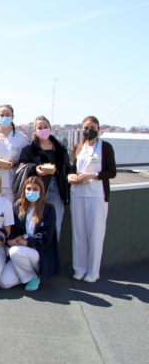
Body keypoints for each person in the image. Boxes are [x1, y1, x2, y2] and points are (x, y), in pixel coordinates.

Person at [68, 116, 116, 283]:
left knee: (95, 234)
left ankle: (93, 271)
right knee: (78, 233)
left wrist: (93, 175)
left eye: (92, 127)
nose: (89, 130)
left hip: (97, 195)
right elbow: (72, 168)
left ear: (98, 129)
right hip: (78, 194)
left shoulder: (105, 147)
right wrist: (71, 176)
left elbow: (112, 172)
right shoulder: (78, 147)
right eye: (86, 128)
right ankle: (79, 268)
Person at [0, 176, 60, 291]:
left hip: (38, 252)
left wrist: (28, 242)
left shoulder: (48, 208)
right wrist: (10, 240)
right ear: (24, 190)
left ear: (41, 191)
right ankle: (27, 275)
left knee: (15, 251)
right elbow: (13, 229)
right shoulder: (17, 206)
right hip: (20, 251)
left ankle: (32, 277)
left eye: (35, 189)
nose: (31, 192)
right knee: (4, 283)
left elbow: (46, 235)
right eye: (29, 189)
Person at [18, 116, 71, 239]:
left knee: (55, 227)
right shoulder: (29, 150)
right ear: (35, 131)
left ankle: (52, 251)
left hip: (57, 189)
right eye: (40, 128)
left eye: (46, 127)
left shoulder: (60, 149)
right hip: (36, 190)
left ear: (50, 129)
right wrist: (35, 169)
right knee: (34, 226)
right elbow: (21, 167)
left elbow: (67, 168)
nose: (43, 130)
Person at [0, 104, 28, 202]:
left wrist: (14, 163)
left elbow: (25, 160)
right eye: (2, 115)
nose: (5, 117)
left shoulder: (22, 138)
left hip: (12, 183)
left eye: (8, 115)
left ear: (12, 117)